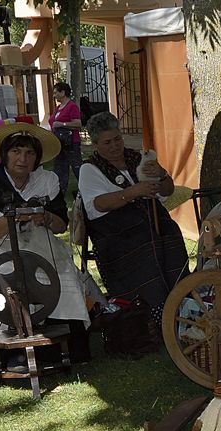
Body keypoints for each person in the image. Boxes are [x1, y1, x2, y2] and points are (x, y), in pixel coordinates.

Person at [0, 123, 92, 367]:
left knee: (63, 273)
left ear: (37, 157)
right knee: (14, 277)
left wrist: (45, 217)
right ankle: (17, 354)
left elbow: (60, 226)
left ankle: (67, 348)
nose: (22, 159)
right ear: (5, 154)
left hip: (40, 245)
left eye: (29, 153)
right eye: (16, 151)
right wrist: (16, 216)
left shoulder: (47, 180)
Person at [78, 112, 189, 322]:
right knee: (147, 244)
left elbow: (167, 191)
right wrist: (132, 192)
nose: (114, 146)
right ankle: (153, 315)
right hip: (117, 233)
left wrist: (162, 174)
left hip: (151, 221)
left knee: (170, 236)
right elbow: (98, 204)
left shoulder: (137, 158)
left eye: (117, 139)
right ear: (95, 144)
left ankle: (181, 307)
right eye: (107, 142)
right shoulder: (89, 169)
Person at [45, 82, 82, 197]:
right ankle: (60, 195)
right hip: (59, 143)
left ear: (63, 92)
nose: (54, 95)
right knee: (60, 170)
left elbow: (78, 123)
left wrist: (62, 124)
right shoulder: (57, 109)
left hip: (71, 143)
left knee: (77, 168)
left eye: (56, 92)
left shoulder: (72, 106)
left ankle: (86, 189)